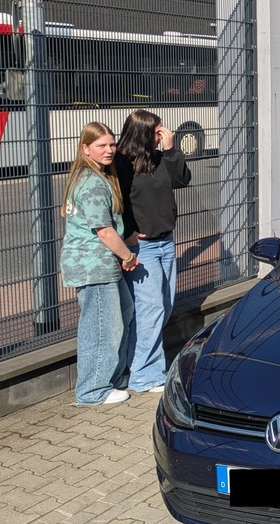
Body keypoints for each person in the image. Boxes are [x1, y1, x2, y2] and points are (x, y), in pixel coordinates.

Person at [60, 122, 139, 406]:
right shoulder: (92, 182)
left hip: (100, 264)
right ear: (86, 149)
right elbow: (104, 231)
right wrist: (127, 256)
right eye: (101, 145)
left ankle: (114, 378)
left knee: (124, 313)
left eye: (111, 144)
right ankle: (93, 390)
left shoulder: (91, 175)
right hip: (93, 265)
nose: (109, 150)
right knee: (103, 326)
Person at [115, 110, 191, 394]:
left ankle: (138, 366)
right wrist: (129, 233)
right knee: (151, 309)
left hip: (165, 241)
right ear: (144, 133)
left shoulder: (159, 158)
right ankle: (145, 376)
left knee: (164, 305)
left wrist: (171, 149)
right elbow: (118, 201)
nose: (162, 134)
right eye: (157, 132)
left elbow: (183, 179)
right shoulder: (122, 163)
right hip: (142, 246)